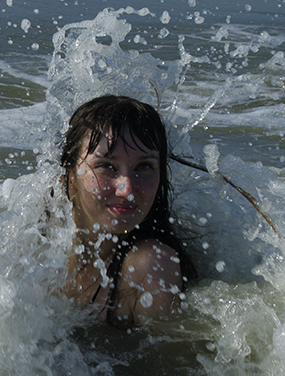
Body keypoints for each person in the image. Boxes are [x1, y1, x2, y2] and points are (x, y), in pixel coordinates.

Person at [55, 95, 195, 325]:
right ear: (71, 178)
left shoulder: (151, 266)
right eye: (106, 166)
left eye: (144, 167)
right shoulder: (35, 244)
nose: (126, 189)